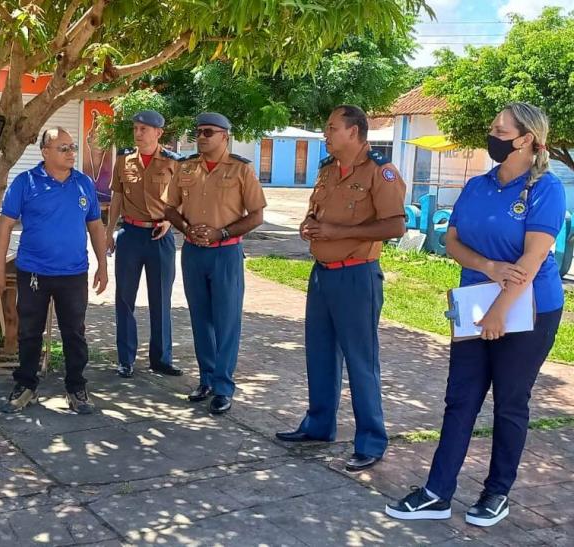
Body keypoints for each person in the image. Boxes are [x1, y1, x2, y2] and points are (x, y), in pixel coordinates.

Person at [386, 103, 564, 527]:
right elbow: (453, 241)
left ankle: (496, 493)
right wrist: (487, 269)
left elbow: (533, 258)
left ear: (525, 139)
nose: (492, 134)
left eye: (500, 129)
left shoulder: (546, 189)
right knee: (460, 398)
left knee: (510, 403)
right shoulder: (478, 185)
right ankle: (437, 493)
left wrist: (501, 311)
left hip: (530, 310)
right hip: (475, 304)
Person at [275, 105, 406, 472]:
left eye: (332, 128)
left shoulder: (382, 172)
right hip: (323, 274)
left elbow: (395, 226)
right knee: (319, 352)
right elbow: (318, 213)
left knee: (360, 360)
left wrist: (340, 233)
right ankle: (318, 425)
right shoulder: (327, 171)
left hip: (357, 276)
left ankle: (371, 441)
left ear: (354, 132)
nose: (326, 134)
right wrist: (309, 224)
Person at [0, 127, 108, 415]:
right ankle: (26, 385)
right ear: (45, 152)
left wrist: (103, 265)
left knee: (74, 332)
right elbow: (5, 224)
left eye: (72, 147)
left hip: (73, 273)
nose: (71, 153)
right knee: (29, 331)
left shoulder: (83, 184)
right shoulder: (26, 182)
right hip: (33, 272)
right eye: (63, 148)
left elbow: (95, 225)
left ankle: (76, 387)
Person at [164, 112, 267, 415]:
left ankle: (223, 386)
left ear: (225, 136)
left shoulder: (241, 170)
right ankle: (206, 379)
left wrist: (221, 232)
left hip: (226, 253)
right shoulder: (185, 168)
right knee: (200, 318)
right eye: (198, 132)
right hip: (194, 252)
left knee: (226, 321)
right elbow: (169, 207)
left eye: (209, 132)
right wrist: (186, 228)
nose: (202, 137)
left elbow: (256, 215)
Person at [105, 110, 182, 379]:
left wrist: (171, 222)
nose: (138, 133)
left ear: (158, 133)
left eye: (144, 129)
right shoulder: (124, 161)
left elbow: (183, 198)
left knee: (160, 299)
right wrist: (108, 232)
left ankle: (161, 359)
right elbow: (116, 198)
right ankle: (125, 359)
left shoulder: (174, 162)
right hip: (130, 235)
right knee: (124, 299)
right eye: (136, 128)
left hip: (160, 237)